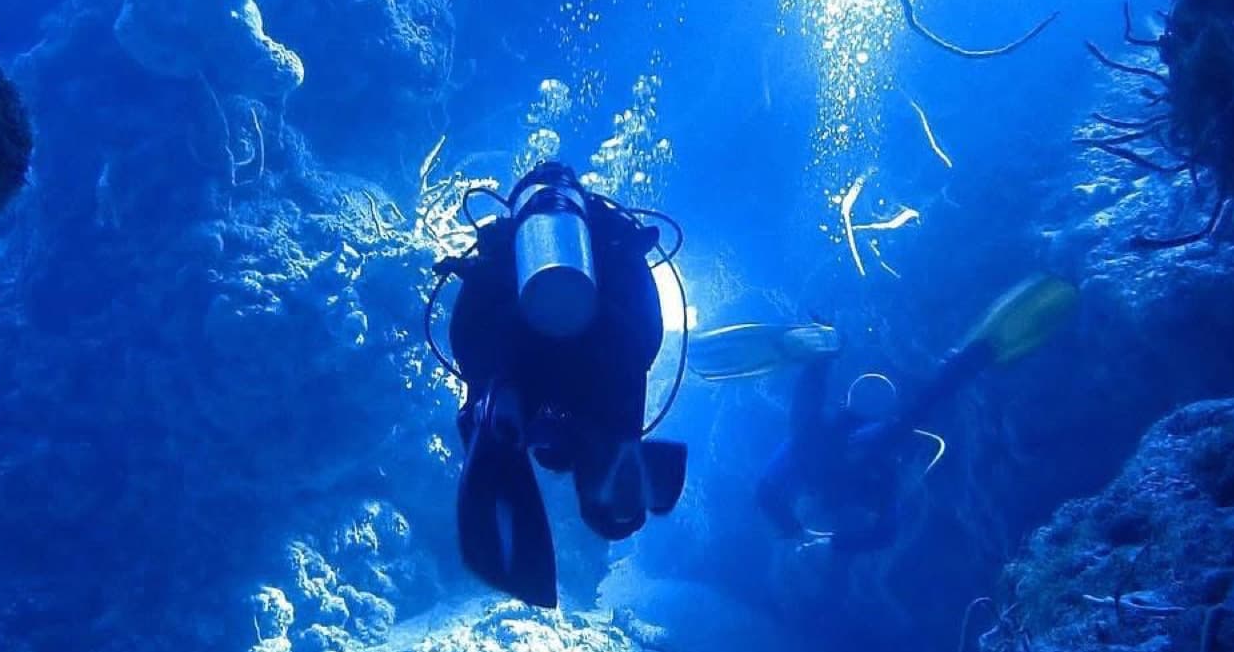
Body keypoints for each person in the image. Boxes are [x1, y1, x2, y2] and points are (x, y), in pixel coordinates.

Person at [436, 163, 688, 608]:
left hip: (515, 355)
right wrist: (618, 426)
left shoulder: (502, 245)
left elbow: (469, 338)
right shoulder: (614, 246)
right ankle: (612, 451)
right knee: (615, 512)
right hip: (608, 354)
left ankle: (500, 425)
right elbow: (643, 337)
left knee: (491, 424)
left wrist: (488, 393)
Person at [692, 275, 1078, 554]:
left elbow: (771, 490)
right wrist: (813, 538)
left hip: (842, 450)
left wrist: (805, 535)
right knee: (881, 426)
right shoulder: (872, 475)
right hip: (851, 449)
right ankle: (830, 353)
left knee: (849, 430)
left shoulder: (851, 472)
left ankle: (829, 352)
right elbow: (882, 530)